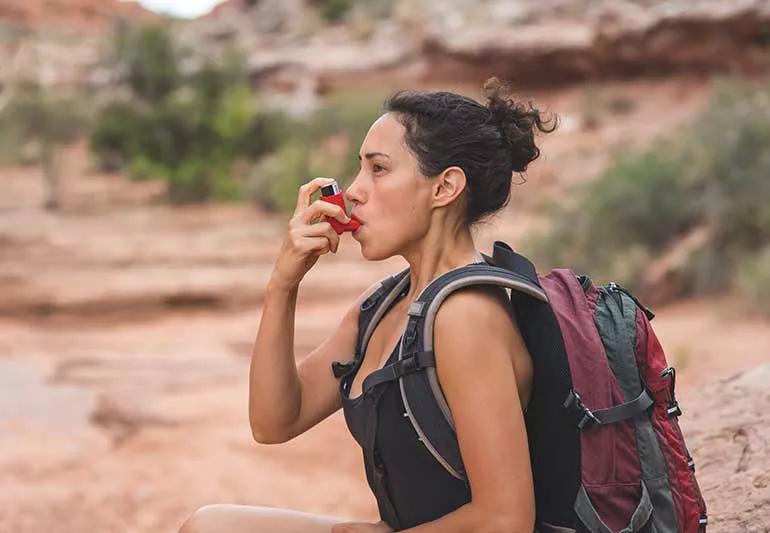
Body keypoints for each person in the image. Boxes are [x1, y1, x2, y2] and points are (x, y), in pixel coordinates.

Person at [179, 77, 558, 533]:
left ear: (445, 188)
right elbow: (275, 419)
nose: (354, 191)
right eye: (359, 169)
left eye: (378, 169)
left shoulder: (466, 317)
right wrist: (283, 284)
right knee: (211, 526)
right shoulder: (381, 306)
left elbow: (504, 520)